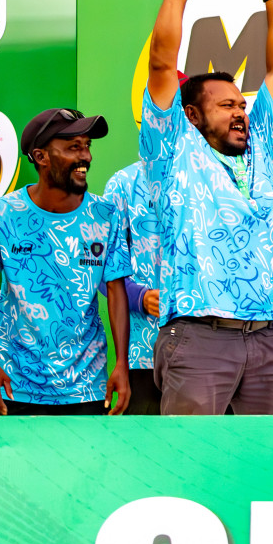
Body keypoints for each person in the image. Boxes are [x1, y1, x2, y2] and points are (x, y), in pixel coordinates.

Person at [141, 0, 273, 415]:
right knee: (192, 467)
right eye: (225, 106)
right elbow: (161, 62)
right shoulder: (175, 149)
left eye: (241, 104)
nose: (239, 113)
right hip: (199, 335)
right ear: (191, 116)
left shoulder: (262, 146)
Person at [0, 109, 131, 415]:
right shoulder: (2, 214)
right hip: (13, 383)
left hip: (88, 385)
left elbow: (116, 290)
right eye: (73, 147)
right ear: (41, 157)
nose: (86, 157)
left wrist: (122, 365)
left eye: (87, 146)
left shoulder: (106, 215)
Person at [104, 160, 163, 413]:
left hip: (207, 352)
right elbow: (102, 264)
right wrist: (140, 297)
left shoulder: (213, 175)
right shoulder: (124, 183)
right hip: (144, 350)